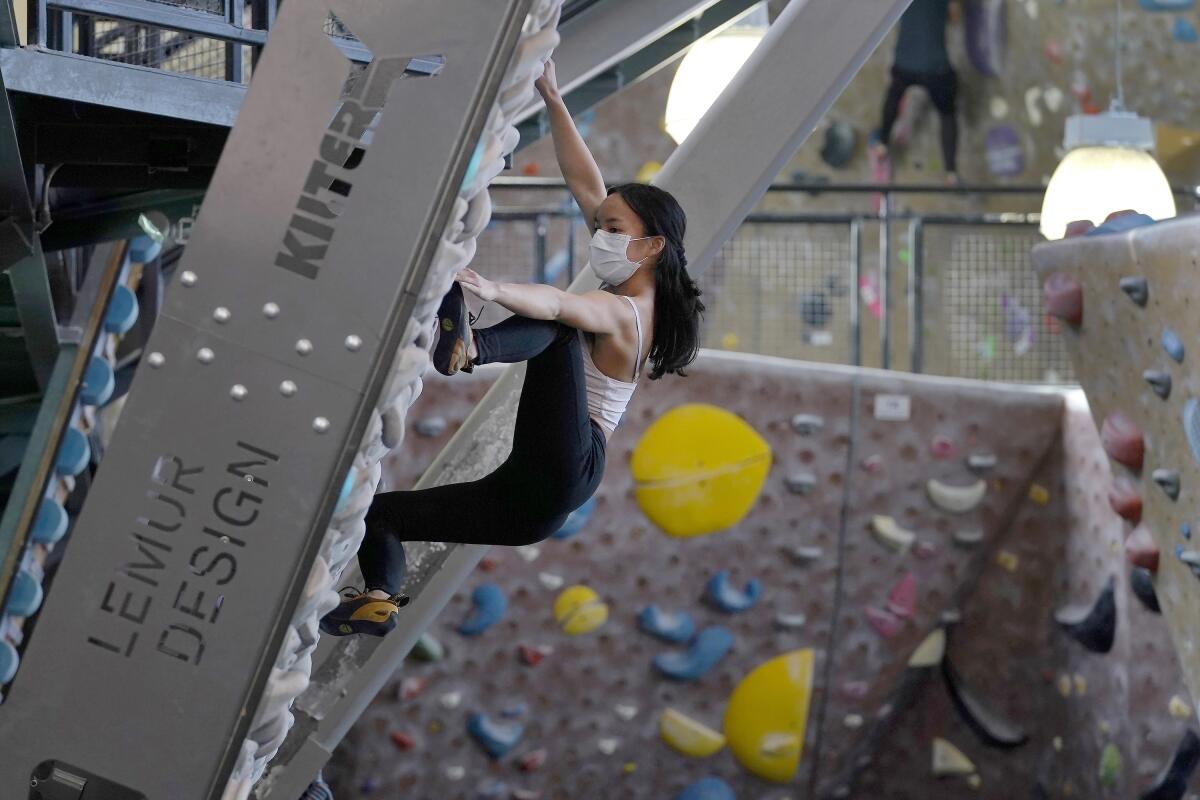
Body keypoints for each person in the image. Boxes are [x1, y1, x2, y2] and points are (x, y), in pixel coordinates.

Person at [320, 59, 706, 637]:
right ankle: (379, 596)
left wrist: (491, 289)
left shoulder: (627, 313)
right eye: (601, 225)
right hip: (536, 502)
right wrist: (553, 96)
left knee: (556, 335)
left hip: (571, 463)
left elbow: (555, 308)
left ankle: (471, 347)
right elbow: (585, 183)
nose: (600, 234)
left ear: (650, 246)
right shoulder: (627, 270)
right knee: (383, 516)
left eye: (613, 228)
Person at [872, 0, 962, 184]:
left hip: (905, 62)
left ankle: (882, 144)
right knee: (947, 113)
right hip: (936, 67)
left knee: (894, 95)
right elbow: (955, 18)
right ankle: (950, 172)